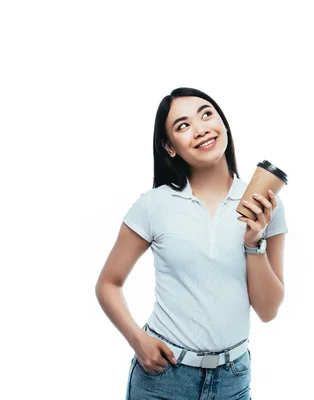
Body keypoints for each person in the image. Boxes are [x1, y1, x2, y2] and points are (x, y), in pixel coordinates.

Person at [95, 87, 288, 400]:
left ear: (224, 124)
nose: (200, 129)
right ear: (169, 147)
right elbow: (108, 283)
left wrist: (254, 243)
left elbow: (268, 311)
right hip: (164, 377)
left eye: (206, 114)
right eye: (183, 126)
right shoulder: (153, 205)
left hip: (233, 380)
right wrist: (136, 340)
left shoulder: (265, 206)